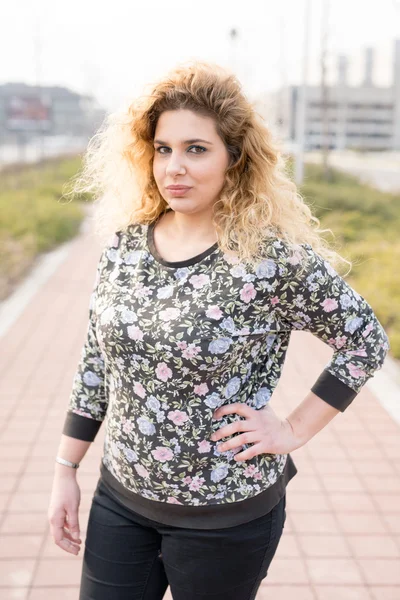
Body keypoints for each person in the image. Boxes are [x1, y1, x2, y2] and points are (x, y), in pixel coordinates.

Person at [47, 60, 390, 600]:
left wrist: (293, 430)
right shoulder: (126, 244)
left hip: (227, 518)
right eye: (163, 149)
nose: (174, 167)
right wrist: (66, 468)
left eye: (196, 149)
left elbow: (365, 339)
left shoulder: (270, 259)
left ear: (234, 158)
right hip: (120, 501)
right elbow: (96, 362)